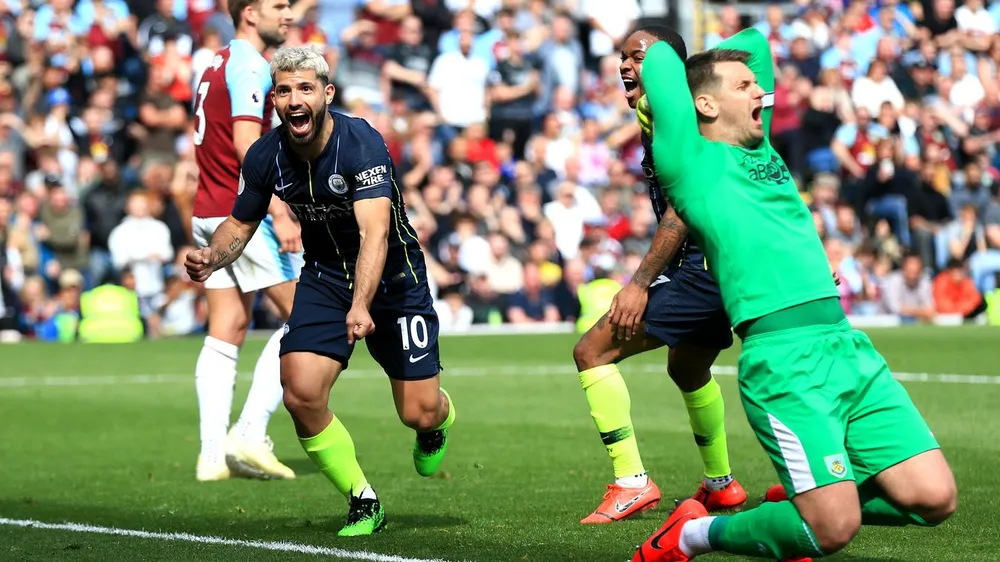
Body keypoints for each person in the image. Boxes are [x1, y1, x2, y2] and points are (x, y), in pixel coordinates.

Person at [632, 28, 956, 562]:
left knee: (934, 498)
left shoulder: (763, 148)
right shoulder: (689, 162)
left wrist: (731, 73)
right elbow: (662, 57)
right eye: (744, 86)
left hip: (847, 348)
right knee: (833, 530)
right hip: (784, 362)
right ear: (704, 104)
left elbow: (755, 39)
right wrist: (677, 83)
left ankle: (805, 502)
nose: (760, 92)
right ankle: (690, 535)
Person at [185, 45, 455, 537]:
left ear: (327, 94)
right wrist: (212, 256)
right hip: (325, 277)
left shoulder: (361, 143)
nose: (294, 99)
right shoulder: (265, 154)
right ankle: (363, 502)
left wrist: (362, 304)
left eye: (305, 88)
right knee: (301, 393)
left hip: (394, 280)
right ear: (274, 100)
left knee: (417, 411)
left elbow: (375, 232)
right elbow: (240, 224)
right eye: (284, 90)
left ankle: (439, 419)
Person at [570, 25, 747, 526]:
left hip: (703, 272)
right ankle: (721, 485)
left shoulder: (680, 117)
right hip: (720, 269)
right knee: (688, 369)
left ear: (669, 64)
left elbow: (683, 210)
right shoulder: (666, 114)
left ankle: (631, 482)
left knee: (591, 351)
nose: (625, 65)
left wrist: (639, 284)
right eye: (621, 57)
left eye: (638, 56)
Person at [190, 0, 300, 482]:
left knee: (227, 327)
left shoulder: (214, 62)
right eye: (279, 6)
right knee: (310, 320)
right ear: (250, 13)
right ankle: (250, 432)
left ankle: (212, 455)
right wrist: (277, 206)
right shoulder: (251, 66)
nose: (288, 14)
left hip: (207, 208)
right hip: (243, 215)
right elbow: (245, 144)